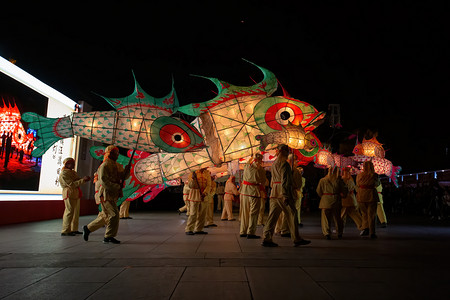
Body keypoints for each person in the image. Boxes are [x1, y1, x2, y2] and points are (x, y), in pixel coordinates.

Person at [262, 145, 311, 247]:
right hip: (283, 192)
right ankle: (296, 238)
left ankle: (267, 237)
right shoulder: (285, 164)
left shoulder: (274, 163)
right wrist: (285, 195)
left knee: (272, 216)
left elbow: (272, 180)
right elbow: (285, 181)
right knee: (292, 215)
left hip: (274, 192)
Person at [83, 145, 130, 244]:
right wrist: (117, 187)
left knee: (105, 216)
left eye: (117, 153)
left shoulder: (117, 165)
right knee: (114, 215)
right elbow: (104, 181)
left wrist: (127, 170)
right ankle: (108, 236)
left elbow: (123, 177)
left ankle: (88, 228)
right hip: (105, 194)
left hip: (113, 194)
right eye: (114, 153)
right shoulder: (104, 166)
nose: (116, 155)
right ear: (109, 154)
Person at [59, 157, 90, 236]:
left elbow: (77, 180)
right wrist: (83, 180)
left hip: (75, 193)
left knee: (76, 212)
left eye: (73, 163)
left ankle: (74, 229)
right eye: (70, 163)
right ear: (66, 164)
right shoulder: (64, 173)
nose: (72, 165)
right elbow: (71, 184)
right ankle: (65, 230)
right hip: (69, 193)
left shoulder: (73, 172)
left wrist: (83, 179)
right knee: (69, 211)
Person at [240, 153, 266, 239]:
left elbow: (249, 161)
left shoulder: (247, 166)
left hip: (244, 192)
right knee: (254, 213)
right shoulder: (261, 169)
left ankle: (243, 231)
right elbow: (263, 181)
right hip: (254, 192)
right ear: (261, 160)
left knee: (244, 213)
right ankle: (251, 232)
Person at [316, 167, 344, 240]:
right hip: (336, 200)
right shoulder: (339, 180)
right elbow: (344, 190)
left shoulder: (322, 180)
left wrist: (324, 196)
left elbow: (319, 191)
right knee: (337, 218)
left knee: (325, 218)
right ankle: (339, 232)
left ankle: (327, 233)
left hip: (325, 200)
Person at [356, 161, 380, 239]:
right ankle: (372, 232)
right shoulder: (374, 175)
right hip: (371, 195)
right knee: (372, 214)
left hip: (361, 195)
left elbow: (358, 184)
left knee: (364, 214)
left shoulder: (360, 175)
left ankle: (365, 228)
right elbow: (377, 184)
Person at [185, 168, 211, 235]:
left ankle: (198, 229)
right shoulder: (193, 173)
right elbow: (190, 186)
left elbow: (209, 185)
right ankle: (189, 229)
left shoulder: (207, 173)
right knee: (193, 213)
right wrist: (193, 179)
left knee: (202, 214)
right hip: (194, 195)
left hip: (204, 196)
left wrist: (205, 193)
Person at [340, 167, 363, 232]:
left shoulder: (342, 179)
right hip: (351, 199)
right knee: (355, 215)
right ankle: (362, 226)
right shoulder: (350, 179)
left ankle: (339, 229)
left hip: (344, 200)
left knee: (341, 216)